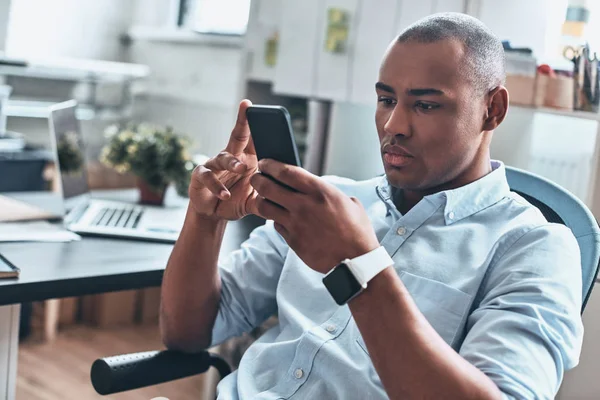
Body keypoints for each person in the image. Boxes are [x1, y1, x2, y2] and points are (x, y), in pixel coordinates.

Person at [160, 12, 583, 400]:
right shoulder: (326, 203)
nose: (394, 126)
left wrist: (359, 265)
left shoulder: (534, 247)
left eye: (426, 104)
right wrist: (205, 220)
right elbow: (187, 332)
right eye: (386, 100)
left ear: (493, 109)